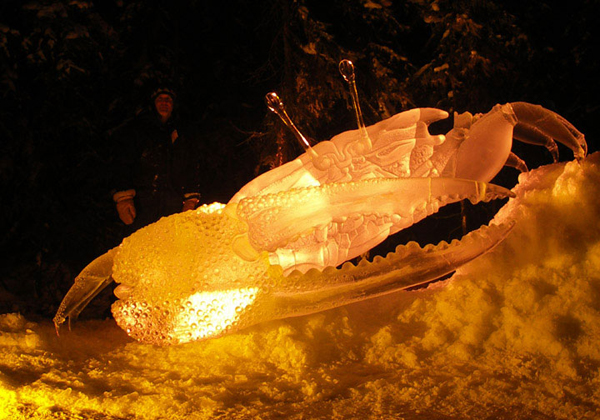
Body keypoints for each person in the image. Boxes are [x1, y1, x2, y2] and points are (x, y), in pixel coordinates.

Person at [111, 87, 202, 234]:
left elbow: (190, 166)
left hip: (173, 204)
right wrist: (124, 197)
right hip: (143, 205)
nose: (164, 103)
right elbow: (123, 162)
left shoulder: (181, 133)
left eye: (168, 100)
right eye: (161, 99)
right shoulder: (139, 130)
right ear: (153, 104)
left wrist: (191, 199)